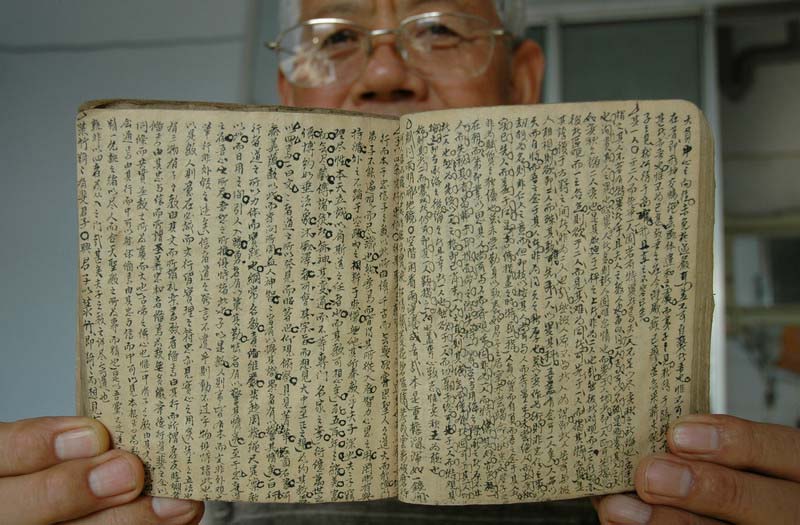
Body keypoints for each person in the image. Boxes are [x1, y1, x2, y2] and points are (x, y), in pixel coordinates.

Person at [1, 1, 798, 524]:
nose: (383, 74)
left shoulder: (625, 397)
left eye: (440, 27)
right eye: (336, 39)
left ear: (523, 82)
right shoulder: (179, 420)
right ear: (289, 96)